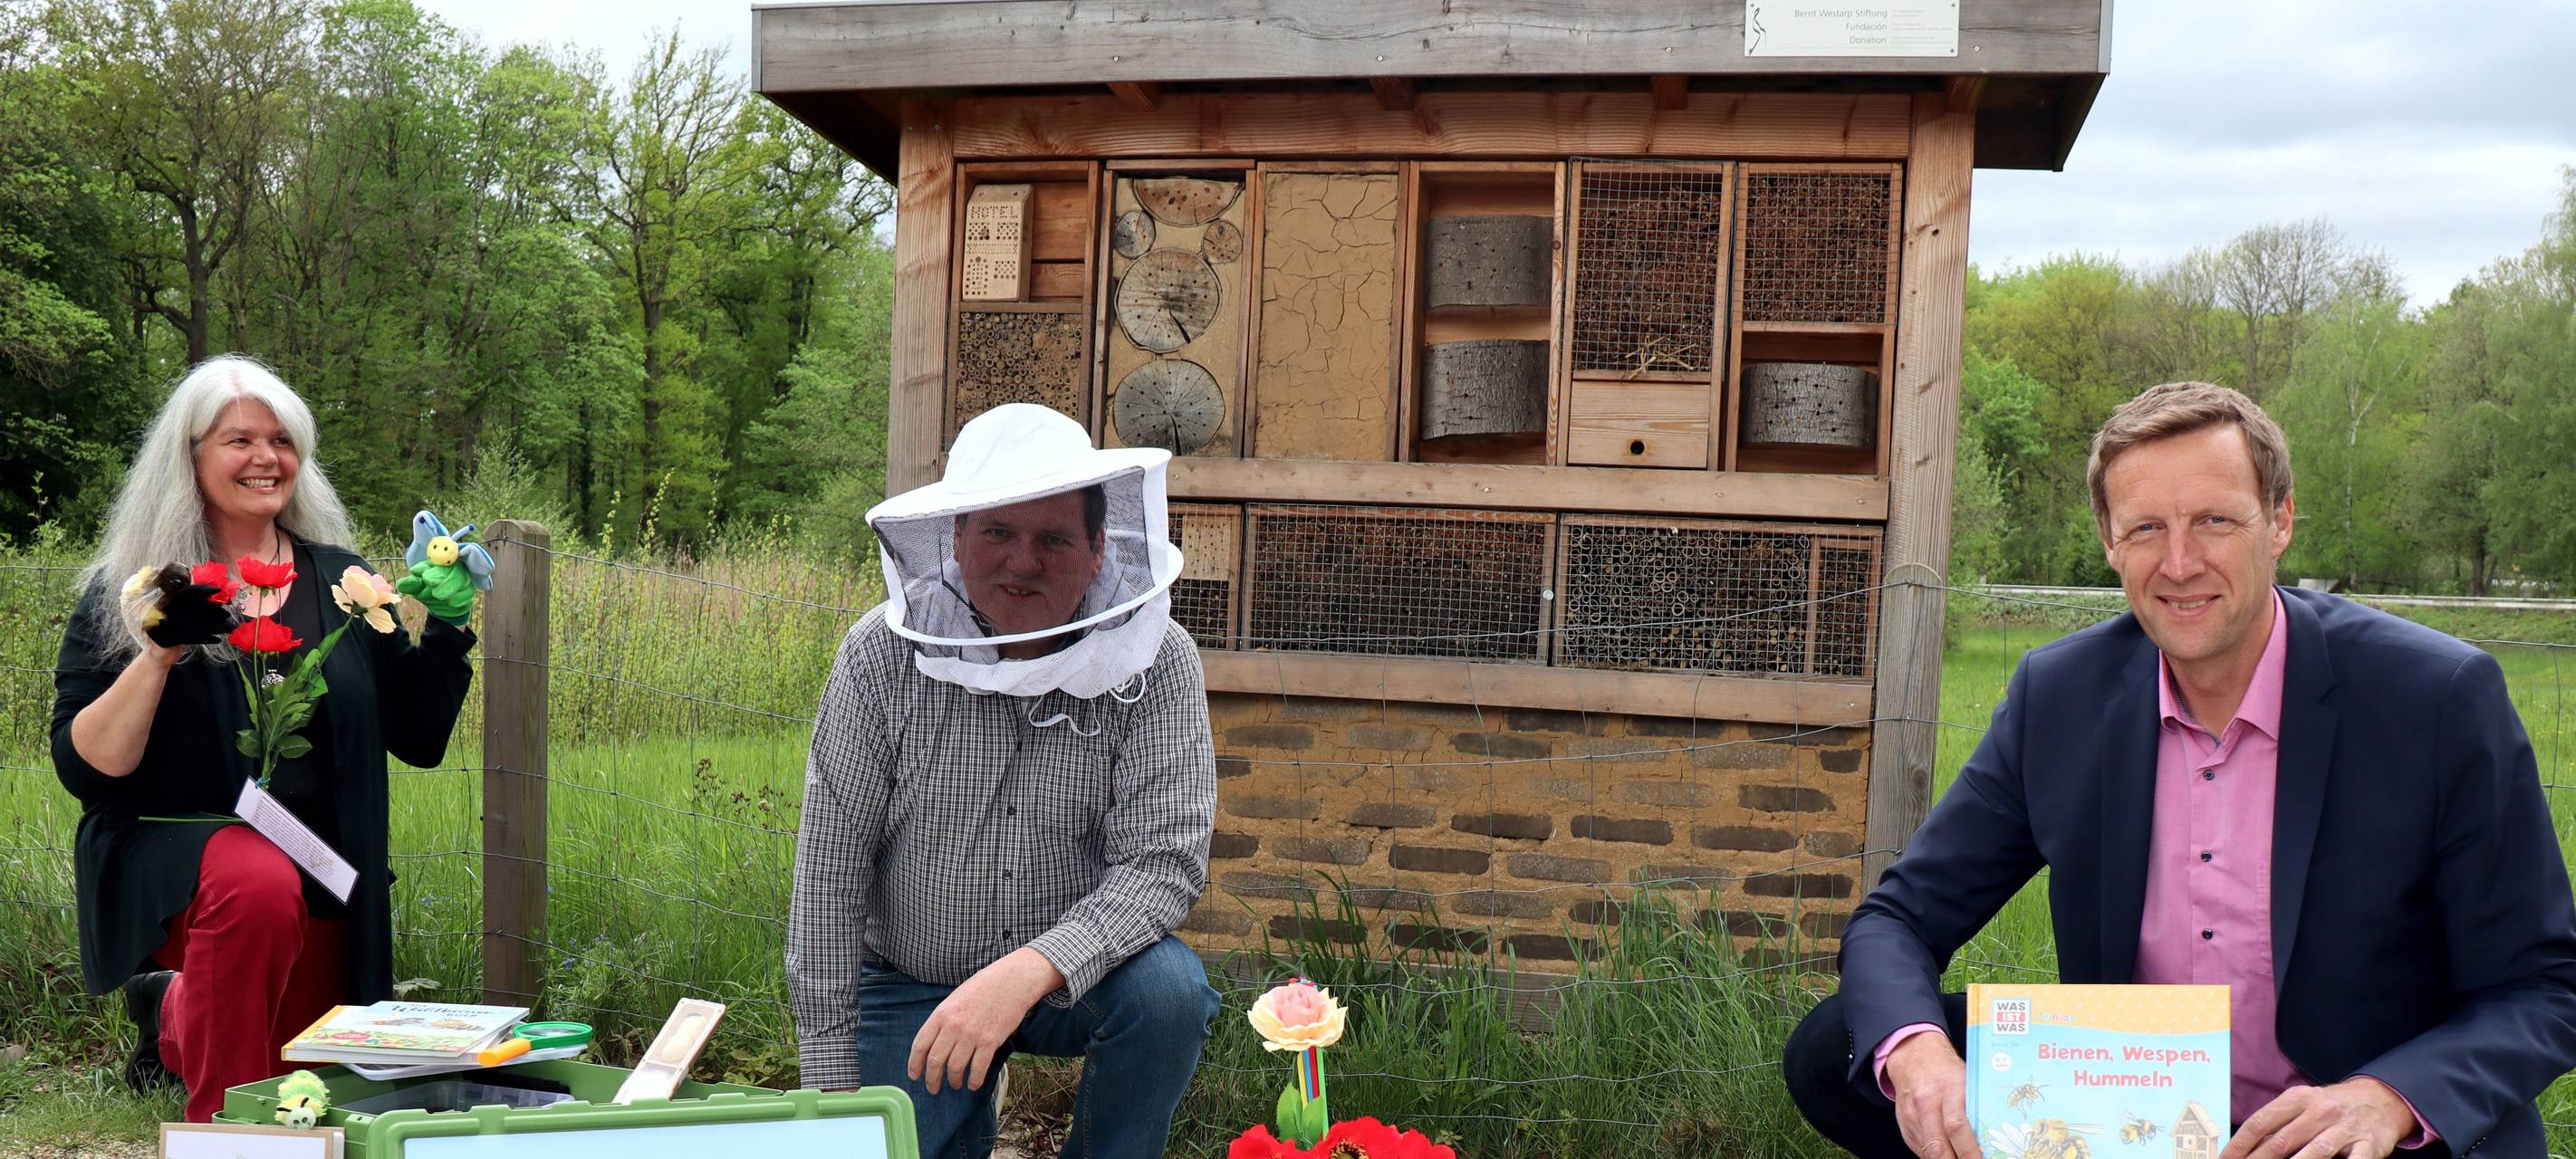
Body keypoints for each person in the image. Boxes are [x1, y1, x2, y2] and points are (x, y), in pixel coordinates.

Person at [1782, 382, 2576, 1159]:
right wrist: (1921, 1059)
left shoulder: (2435, 696)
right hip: (2145, 1113)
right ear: (2109, 543)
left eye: (2214, 521)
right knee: (1838, 1051)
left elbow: (2543, 987)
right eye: (2146, 529)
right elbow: (1899, 919)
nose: (2180, 562)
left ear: (2280, 522)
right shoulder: (2059, 696)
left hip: (2351, 1120)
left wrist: (2389, 1098)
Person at [50, 357, 478, 1122]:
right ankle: (230, 1136)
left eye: (280, 441)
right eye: (237, 440)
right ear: (189, 457)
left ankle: (175, 1015)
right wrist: (157, 654)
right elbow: (90, 768)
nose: (264, 458)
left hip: (317, 865)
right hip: (175, 847)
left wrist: (446, 626)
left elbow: (418, 738)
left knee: (299, 1074)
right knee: (253, 898)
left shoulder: (344, 580)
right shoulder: (137, 585)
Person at [789, 404, 1220, 1159]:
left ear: (1096, 549)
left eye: (1053, 539)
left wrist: (1029, 969)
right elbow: (830, 867)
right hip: (912, 980)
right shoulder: (878, 657)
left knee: (1169, 994)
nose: (1023, 562)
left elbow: (1162, 863)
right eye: (998, 533)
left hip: (1076, 979)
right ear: (955, 538)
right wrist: (830, 1090)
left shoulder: (1160, 660)